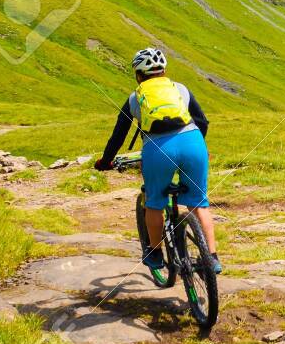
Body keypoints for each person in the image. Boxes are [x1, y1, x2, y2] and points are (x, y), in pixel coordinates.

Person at [94, 47, 222, 274]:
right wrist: (196, 148)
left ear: (138, 75)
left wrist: (106, 161)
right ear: (163, 71)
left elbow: (118, 135)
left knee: (154, 203)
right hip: (193, 143)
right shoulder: (180, 89)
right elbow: (202, 122)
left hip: (158, 149)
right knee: (198, 203)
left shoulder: (135, 98)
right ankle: (211, 258)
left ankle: (155, 254)